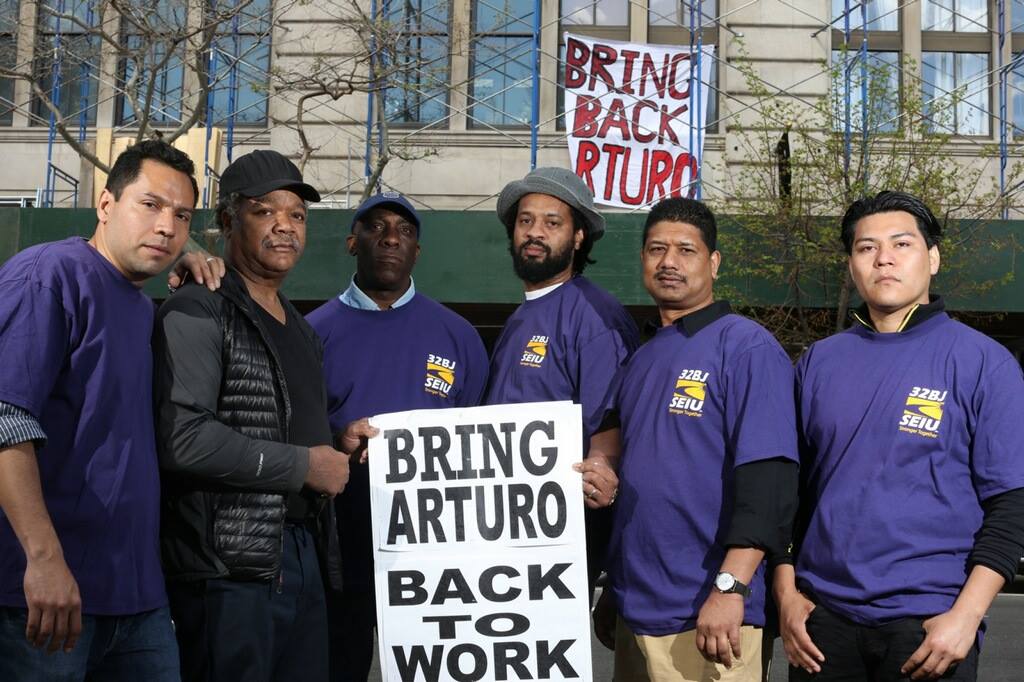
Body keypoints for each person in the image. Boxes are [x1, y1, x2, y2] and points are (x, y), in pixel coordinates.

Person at [775, 191, 1024, 682]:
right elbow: (785, 493)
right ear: (851, 265)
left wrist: (965, 618)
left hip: (930, 625)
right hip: (823, 624)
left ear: (933, 258)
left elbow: (1012, 502)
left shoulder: (984, 362)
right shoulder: (818, 363)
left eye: (902, 244)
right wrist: (786, 596)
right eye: (866, 248)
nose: (884, 258)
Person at [153, 149, 374, 682]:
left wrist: (337, 445)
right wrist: (303, 465)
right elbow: (184, 439)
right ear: (228, 220)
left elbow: (281, 425)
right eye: (264, 211)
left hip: (300, 557)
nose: (284, 226)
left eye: (296, 214)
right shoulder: (199, 306)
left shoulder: (300, 328)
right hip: (227, 571)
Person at [0, 139, 198, 680]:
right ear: (106, 205)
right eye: (150, 205)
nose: (166, 226)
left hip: (136, 597)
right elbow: (4, 422)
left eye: (182, 216)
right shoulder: (49, 274)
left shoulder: (140, 305)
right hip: (42, 599)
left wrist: (192, 256)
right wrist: (43, 562)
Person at [605, 197, 799, 682]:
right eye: (656, 249)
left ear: (713, 262)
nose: (668, 261)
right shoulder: (640, 357)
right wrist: (614, 588)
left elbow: (769, 482)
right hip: (636, 610)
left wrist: (731, 588)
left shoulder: (747, 347)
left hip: (710, 616)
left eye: (686, 250)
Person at [306, 191, 489, 682]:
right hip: (342, 529)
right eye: (377, 227)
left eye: (405, 231)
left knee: (434, 662)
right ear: (352, 241)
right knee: (341, 657)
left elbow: (480, 440)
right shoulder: (311, 333)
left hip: (433, 537)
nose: (391, 238)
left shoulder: (458, 335)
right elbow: (294, 433)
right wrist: (337, 438)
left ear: (418, 252)